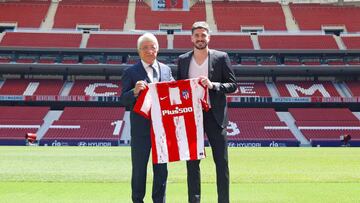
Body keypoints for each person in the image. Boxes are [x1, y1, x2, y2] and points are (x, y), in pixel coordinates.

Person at [177, 21, 237, 203]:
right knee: (192, 164)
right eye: (197, 35)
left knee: (221, 162)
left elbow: (233, 85)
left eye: (203, 35)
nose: (200, 38)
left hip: (215, 116)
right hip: (192, 117)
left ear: (209, 37)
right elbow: (180, 88)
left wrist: (214, 85)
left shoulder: (221, 57)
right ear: (191, 38)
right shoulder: (183, 60)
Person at [120, 32, 174, 203]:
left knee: (161, 170)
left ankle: (159, 200)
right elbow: (123, 100)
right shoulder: (130, 72)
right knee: (139, 170)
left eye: (153, 47)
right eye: (145, 48)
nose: (150, 51)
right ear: (138, 51)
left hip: (162, 130)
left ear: (158, 49)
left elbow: (173, 93)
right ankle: (137, 200)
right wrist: (134, 92)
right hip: (140, 130)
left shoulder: (166, 70)